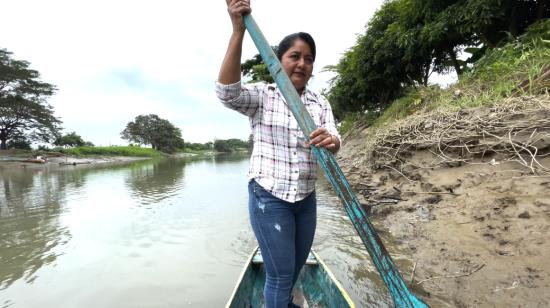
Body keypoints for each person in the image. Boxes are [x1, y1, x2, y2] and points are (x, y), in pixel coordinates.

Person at [216, 0, 341, 307]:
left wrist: (331, 141)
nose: (301, 64)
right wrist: (237, 31)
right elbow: (226, 92)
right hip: (269, 198)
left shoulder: (319, 103)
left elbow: (336, 140)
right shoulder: (263, 95)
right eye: (294, 56)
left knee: (294, 270)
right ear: (279, 60)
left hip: (305, 198)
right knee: (280, 276)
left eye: (308, 59)